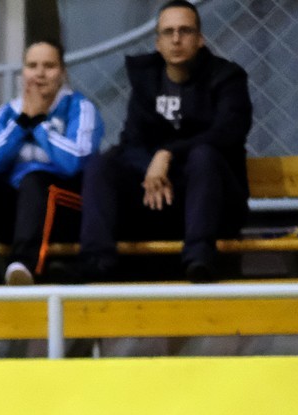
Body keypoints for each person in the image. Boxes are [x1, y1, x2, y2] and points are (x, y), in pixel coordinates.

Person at [77, 1, 250, 284]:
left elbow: (229, 132)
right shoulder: (146, 80)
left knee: (204, 155)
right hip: (158, 197)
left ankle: (199, 260)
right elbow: (131, 141)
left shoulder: (226, 77)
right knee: (102, 164)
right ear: (158, 43)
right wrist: (153, 169)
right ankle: (96, 263)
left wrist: (167, 153)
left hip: (213, 201)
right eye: (168, 32)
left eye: (185, 31)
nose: (176, 39)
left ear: (200, 39)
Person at [0, 41, 102, 288]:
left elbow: (74, 162)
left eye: (49, 66)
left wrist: (39, 124)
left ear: (63, 72)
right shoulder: (9, 111)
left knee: (34, 181)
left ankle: (25, 266)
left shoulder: (80, 107)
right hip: (19, 213)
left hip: (65, 210)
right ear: (23, 72)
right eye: (32, 66)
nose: (40, 73)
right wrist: (23, 122)